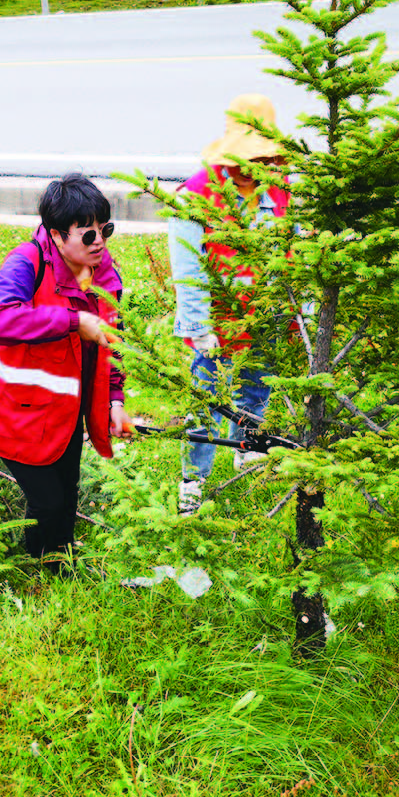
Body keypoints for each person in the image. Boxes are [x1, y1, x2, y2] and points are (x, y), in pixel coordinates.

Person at [0, 174, 135, 566]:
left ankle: (59, 562)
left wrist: (115, 402)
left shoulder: (104, 275)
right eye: (87, 235)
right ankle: (42, 564)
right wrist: (74, 322)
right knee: (48, 499)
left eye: (105, 230)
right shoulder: (26, 262)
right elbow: (0, 321)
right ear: (56, 236)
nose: (100, 242)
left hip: (64, 409)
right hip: (11, 408)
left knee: (67, 491)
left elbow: (113, 347)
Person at [169, 93, 290, 514]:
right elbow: (189, 268)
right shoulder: (196, 195)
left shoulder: (279, 188)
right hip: (217, 327)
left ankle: (248, 445)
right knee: (207, 399)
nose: (254, 168)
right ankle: (193, 479)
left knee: (257, 385)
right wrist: (199, 327)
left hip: (264, 318)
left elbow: (292, 251)